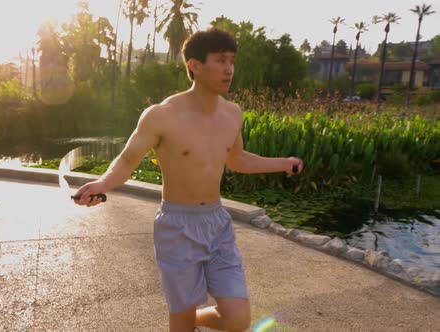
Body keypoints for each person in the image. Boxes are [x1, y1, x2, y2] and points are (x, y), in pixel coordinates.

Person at [72, 28, 303, 332]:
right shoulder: (161, 115)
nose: (229, 69)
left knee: (237, 319)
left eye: (232, 61)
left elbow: (238, 159)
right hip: (176, 227)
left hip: (217, 224)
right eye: (221, 60)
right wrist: (102, 183)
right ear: (194, 66)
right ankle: (183, 321)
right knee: (179, 326)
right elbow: (128, 159)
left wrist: (283, 163)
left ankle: (190, 319)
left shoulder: (233, 114)